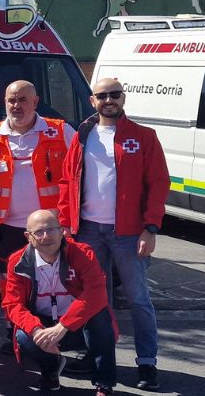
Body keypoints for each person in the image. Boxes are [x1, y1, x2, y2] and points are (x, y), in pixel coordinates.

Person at [59, 77, 168, 391]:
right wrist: (67, 222)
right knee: (95, 301)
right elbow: (68, 182)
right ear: (92, 100)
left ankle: (147, 364)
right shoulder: (82, 135)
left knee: (139, 301)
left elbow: (158, 184)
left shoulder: (144, 136)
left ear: (123, 97)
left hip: (129, 234)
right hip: (88, 230)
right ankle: (100, 360)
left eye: (115, 94)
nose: (109, 100)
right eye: (102, 95)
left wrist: (150, 228)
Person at [0, 80, 74, 351]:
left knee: (53, 278)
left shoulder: (60, 131)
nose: (17, 106)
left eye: (23, 100)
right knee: (10, 281)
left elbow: (80, 173)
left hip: (50, 228)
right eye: (11, 100)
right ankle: (13, 330)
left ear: (36, 102)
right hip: (6, 227)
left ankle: (55, 330)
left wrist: (69, 218)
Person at [4, 210, 115, 395]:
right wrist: (36, 329)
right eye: (39, 232)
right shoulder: (17, 261)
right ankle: (51, 373)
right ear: (28, 237)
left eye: (52, 230)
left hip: (75, 326)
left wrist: (63, 326)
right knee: (24, 336)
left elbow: (96, 294)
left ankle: (104, 384)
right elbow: (13, 305)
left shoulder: (82, 253)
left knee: (100, 316)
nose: (46, 236)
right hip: (44, 325)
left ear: (62, 231)